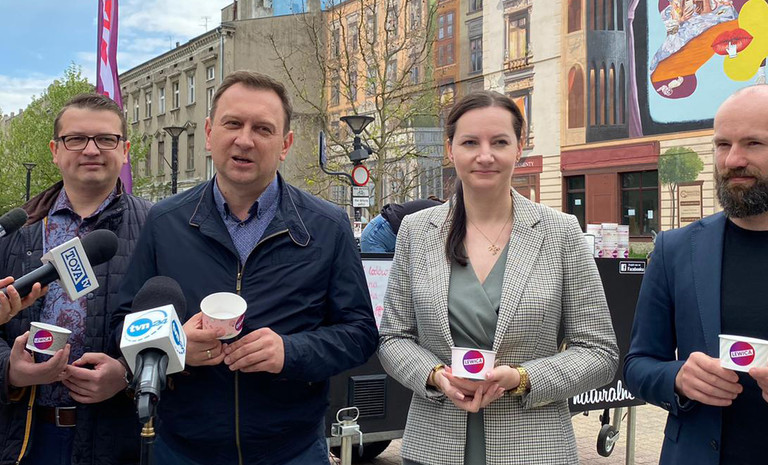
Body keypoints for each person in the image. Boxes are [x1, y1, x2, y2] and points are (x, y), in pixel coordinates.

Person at [111, 71, 378, 465]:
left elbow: (360, 334)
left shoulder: (326, 226)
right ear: (209, 133)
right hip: (183, 450)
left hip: (292, 451)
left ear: (285, 144)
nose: (245, 140)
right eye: (232, 123)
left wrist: (290, 351)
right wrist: (176, 346)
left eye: (263, 129)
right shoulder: (164, 222)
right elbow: (124, 323)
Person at [377, 91, 619, 465]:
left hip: (534, 448)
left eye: (500, 142)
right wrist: (436, 375)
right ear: (450, 150)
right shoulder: (416, 231)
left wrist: (522, 378)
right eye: (470, 142)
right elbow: (393, 338)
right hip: (435, 445)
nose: (485, 155)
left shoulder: (561, 232)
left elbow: (599, 352)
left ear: (519, 148)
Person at [0, 93, 152, 465]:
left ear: (125, 150)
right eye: (76, 139)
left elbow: (179, 327)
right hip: (25, 437)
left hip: (119, 438)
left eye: (106, 139)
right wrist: (8, 369)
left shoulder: (158, 228)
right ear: (55, 150)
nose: (91, 150)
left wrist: (127, 375)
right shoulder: (16, 231)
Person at [624, 85, 768, 465]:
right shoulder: (675, 250)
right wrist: (678, 378)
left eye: (753, 143)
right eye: (722, 145)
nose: (733, 159)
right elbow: (638, 365)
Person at [361, 197, 443, 253]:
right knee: (382, 272)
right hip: (376, 235)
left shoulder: (438, 208)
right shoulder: (441, 212)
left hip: (383, 230)